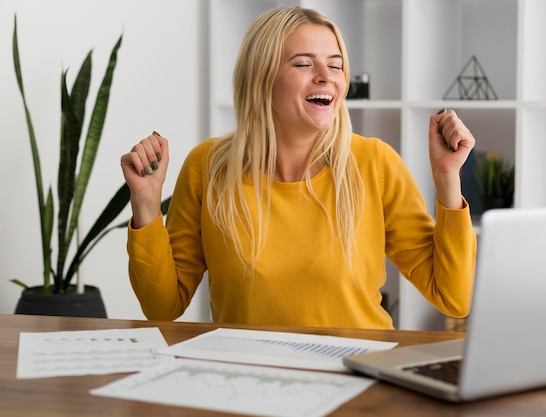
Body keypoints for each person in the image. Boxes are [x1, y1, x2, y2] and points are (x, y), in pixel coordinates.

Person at [120, 6, 477, 329]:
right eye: (304, 63)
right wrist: (147, 203)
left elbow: (453, 299)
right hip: (251, 380)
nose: (326, 76)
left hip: (357, 376)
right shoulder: (208, 166)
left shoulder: (375, 163)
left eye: (336, 64)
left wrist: (448, 179)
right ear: (262, 77)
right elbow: (162, 307)